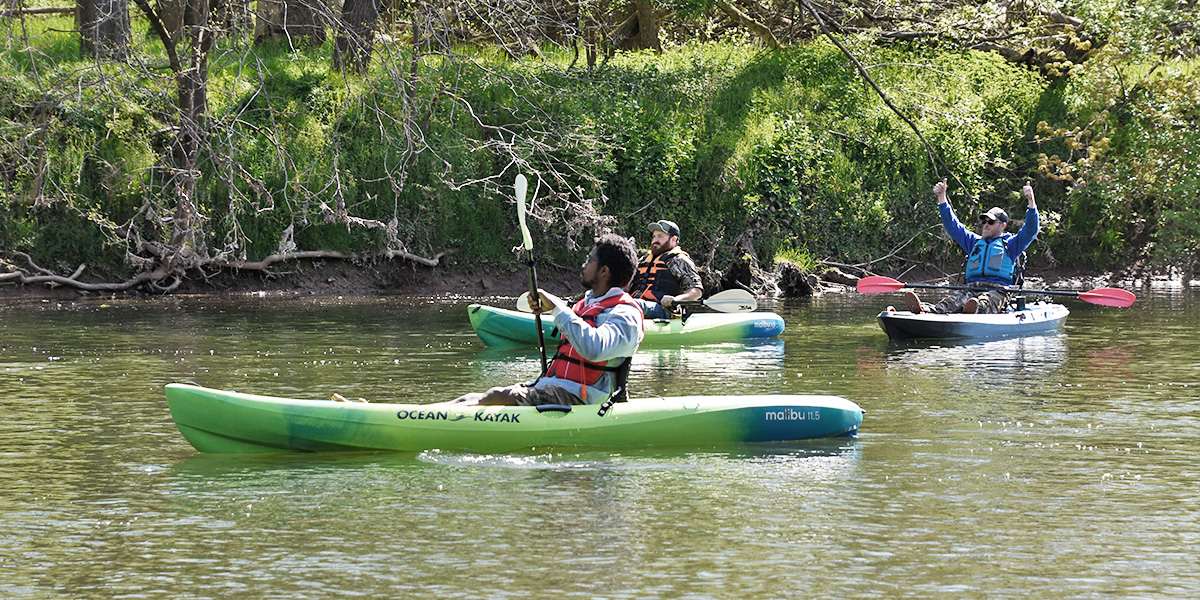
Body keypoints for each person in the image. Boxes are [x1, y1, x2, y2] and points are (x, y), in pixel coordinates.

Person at [451, 233, 644, 406]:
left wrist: (557, 307)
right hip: (558, 387)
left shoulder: (625, 314)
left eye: (589, 260)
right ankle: (422, 414)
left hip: (586, 399)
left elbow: (595, 349)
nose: (583, 265)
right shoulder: (588, 302)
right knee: (474, 398)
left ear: (604, 271)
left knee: (497, 396)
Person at [905, 178, 1040, 314]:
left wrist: (1031, 202)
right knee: (951, 302)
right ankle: (925, 311)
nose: (986, 224)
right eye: (984, 221)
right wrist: (942, 198)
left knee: (983, 303)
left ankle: (971, 312)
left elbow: (1030, 230)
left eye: (991, 222)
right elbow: (953, 226)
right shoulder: (974, 242)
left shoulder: (1011, 245)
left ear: (1002, 225)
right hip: (971, 289)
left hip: (997, 291)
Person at [628, 219, 703, 320]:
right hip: (635, 305)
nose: (655, 240)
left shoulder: (679, 260)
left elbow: (697, 290)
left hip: (663, 309)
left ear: (673, 240)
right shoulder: (644, 259)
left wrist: (675, 299)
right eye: (654, 236)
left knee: (634, 305)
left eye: (660, 236)